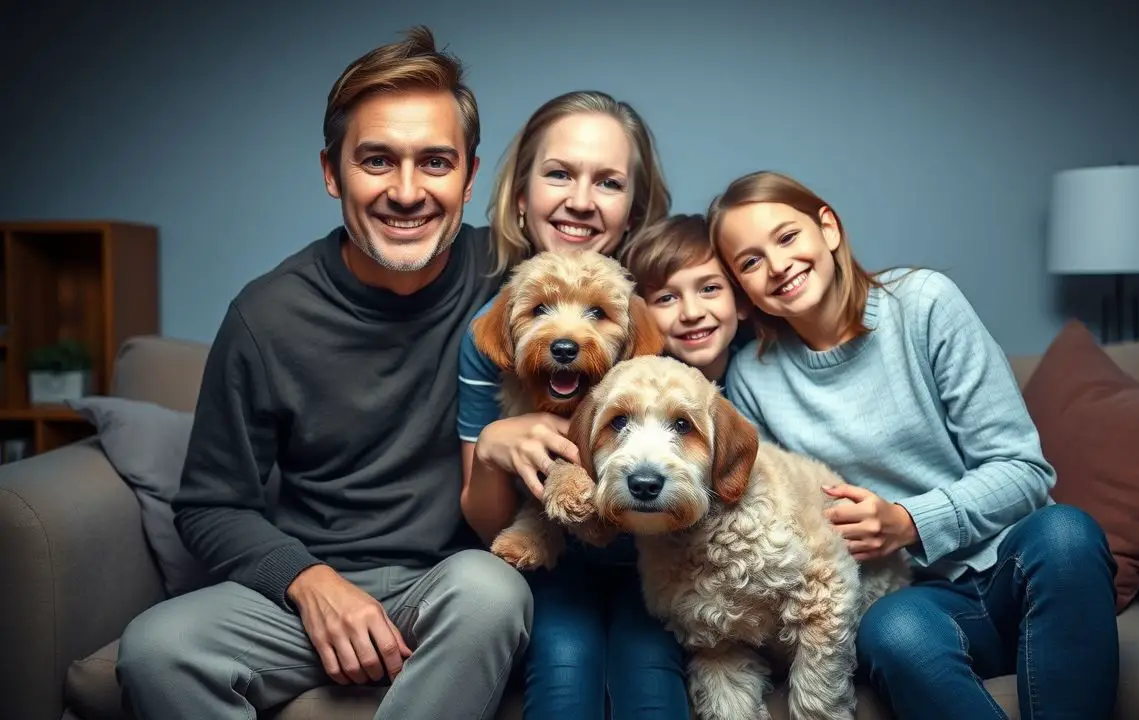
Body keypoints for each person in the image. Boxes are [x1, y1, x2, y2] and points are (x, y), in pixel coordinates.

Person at [114, 27, 533, 720]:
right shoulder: (267, 315)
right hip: (314, 593)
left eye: (435, 162)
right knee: (156, 648)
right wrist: (309, 583)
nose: (406, 191)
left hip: (453, 588)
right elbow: (210, 504)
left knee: (492, 592)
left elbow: (651, 285)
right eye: (377, 160)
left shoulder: (516, 283)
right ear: (332, 171)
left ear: (470, 176)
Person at [708, 170, 1120, 720]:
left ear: (827, 228)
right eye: (751, 262)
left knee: (1068, 530)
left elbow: (1024, 469)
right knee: (892, 631)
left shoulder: (924, 303)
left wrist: (909, 520)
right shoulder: (754, 383)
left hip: (1016, 568)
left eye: (787, 237)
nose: (778, 265)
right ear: (742, 286)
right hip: (917, 600)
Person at [456, 91, 689, 720]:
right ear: (521, 194)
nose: (581, 200)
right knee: (563, 671)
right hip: (553, 562)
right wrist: (496, 450)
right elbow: (486, 526)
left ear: (634, 210)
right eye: (559, 173)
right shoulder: (491, 329)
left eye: (608, 182)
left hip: (654, 559)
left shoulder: (661, 323)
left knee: (650, 680)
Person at [617, 212, 749, 384]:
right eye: (666, 298)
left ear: (740, 301)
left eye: (709, 289)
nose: (692, 313)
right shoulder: (630, 388)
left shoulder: (762, 376)